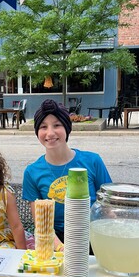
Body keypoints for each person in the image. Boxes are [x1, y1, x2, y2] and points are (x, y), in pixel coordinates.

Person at [22, 99, 111, 248]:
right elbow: (41, 223)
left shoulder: (92, 161)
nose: (50, 133)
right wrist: (61, 248)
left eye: (57, 125)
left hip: (91, 236)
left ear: (67, 128)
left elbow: (108, 206)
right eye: (43, 127)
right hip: (54, 239)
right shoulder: (32, 172)